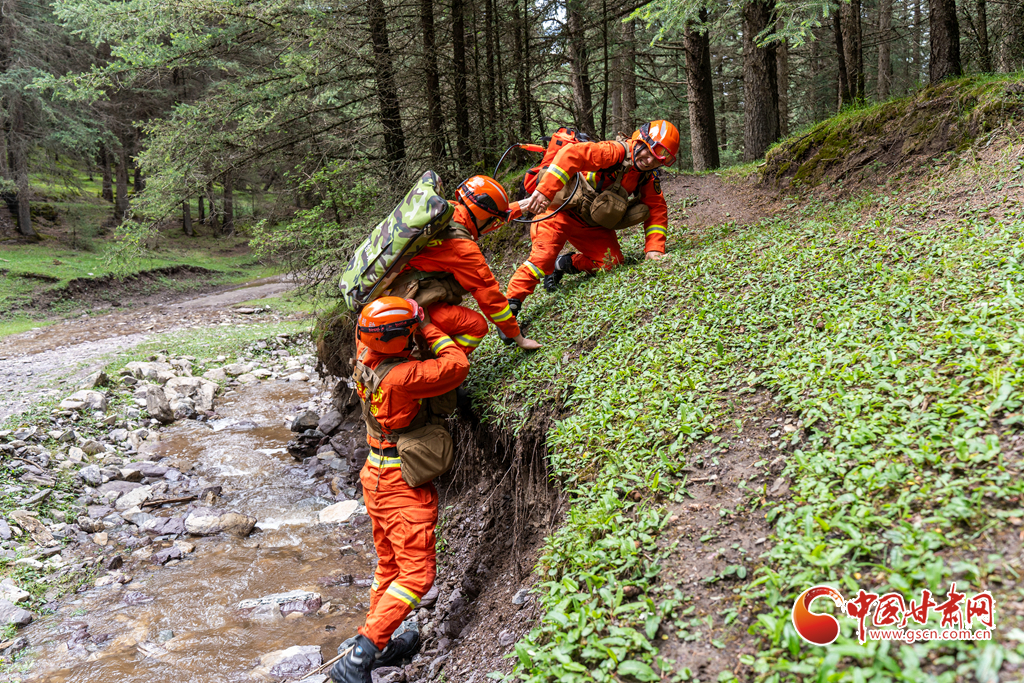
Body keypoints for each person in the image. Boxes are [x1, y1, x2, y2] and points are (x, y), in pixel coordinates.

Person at [330, 297, 469, 683]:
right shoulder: (403, 377)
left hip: (374, 475)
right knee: (417, 575)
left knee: (389, 566)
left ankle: (380, 642)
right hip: (400, 484)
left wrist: (402, 314)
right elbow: (457, 365)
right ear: (399, 337)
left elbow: (375, 323)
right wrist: (426, 326)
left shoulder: (365, 351)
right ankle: (359, 658)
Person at [504, 120, 680, 314]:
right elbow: (571, 155)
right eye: (649, 151)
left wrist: (654, 249)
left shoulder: (647, 176)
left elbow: (656, 208)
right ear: (640, 140)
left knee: (611, 263)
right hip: (559, 211)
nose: (650, 161)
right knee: (541, 259)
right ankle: (510, 306)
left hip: (589, 224)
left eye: (658, 159)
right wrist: (545, 191)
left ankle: (561, 264)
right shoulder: (614, 151)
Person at [396, 175, 541, 352]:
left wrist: (524, 205)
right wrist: (519, 338)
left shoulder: (448, 212)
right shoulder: (462, 249)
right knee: (476, 327)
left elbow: (485, 220)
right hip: (412, 308)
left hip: (398, 298)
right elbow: (491, 298)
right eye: (493, 218)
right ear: (485, 216)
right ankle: (438, 362)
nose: (494, 223)